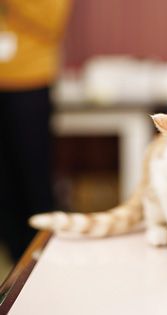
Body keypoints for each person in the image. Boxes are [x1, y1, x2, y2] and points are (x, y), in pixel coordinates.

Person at [0, 0, 71, 261]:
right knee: (3, 184)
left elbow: (52, 23)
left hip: (29, 81)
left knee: (33, 178)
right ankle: (16, 260)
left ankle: (42, 255)